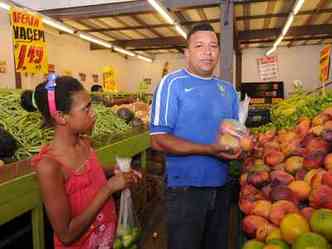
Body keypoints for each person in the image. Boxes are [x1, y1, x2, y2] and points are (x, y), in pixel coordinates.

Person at [21, 75, 141, 249]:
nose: (93, 113)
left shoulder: (85, 143)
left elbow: (87, 173)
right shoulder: (49, 166)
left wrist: (113, 170)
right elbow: (66, 235)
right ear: (61, 117)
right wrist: (109, 188)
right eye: (86, 108)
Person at [149, 23, 240, 249]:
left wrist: (242, 145)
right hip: (185, 190)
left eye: (213, 46)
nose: (207, 52)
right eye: (199, 46)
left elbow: (233, 133)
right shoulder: (172, 84)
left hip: (221, 186)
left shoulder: (228, 90)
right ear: (187, 53)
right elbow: (158, 139)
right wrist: (210, 149)